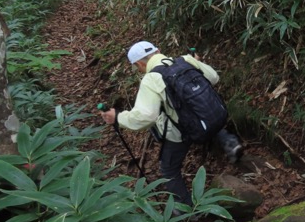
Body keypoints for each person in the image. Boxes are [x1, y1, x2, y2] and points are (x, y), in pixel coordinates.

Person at [100, 41, 243, 206]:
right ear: (158, 51)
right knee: (202, 118)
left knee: (169, 169)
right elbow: (214, 77)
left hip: (183, 132)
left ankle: (185, 208)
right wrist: (197, 62)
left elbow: (146, 117)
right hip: (213, 116)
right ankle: (229, 142)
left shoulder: (151, 79)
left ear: (139, 64)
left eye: (136, 67)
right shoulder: (186, 60)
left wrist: (117, 117)